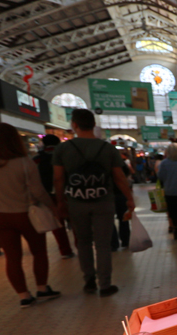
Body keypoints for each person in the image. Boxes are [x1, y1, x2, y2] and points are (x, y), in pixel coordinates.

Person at [53, 109, 135, 297]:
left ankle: (89, 280)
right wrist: (129, 198)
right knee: (103, 244)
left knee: (82, 242)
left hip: (76, 202)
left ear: (74, 125)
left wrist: (60, 201)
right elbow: (119, 177)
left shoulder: (63, 149)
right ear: (93, 124)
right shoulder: (107, 148)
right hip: (103, 201)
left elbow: (58, 178)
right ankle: (105, 284)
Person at [0, 123, 61, 307]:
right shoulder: (25, 162)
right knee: (39, 252)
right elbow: (38, 191)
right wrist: (52, 207)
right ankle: (42, 289)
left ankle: (24, 296)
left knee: (12, 257)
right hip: (26, 214)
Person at [33, 134, 75, 259]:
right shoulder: (66, 156)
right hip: (69, 193)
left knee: (58, 224)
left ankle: (65, 250)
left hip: (48, 195)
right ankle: (81, 246)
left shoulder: (37, 159)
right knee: (76, 221)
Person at [111, 151, 133, 250]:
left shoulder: (104, 165)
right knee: (123, 219)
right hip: (121, 194)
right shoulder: (121, 165)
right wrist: (129, 197)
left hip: (108, 195)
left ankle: (113, 243)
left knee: (109, 220)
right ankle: (126, 240)